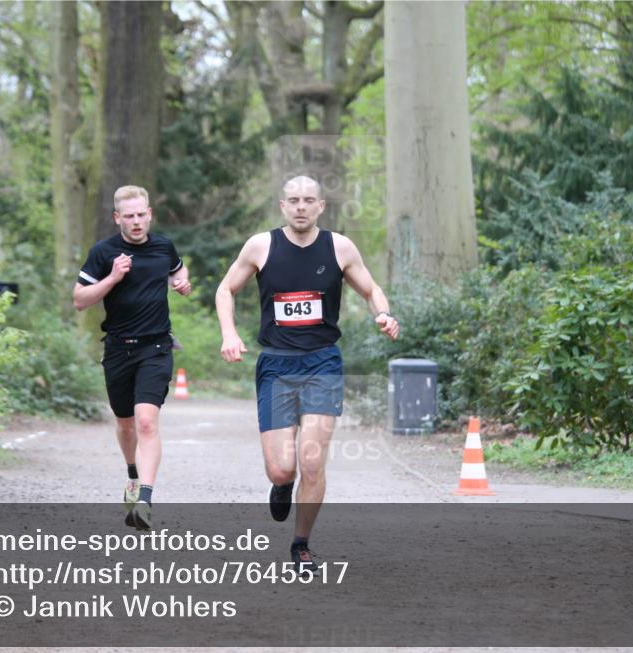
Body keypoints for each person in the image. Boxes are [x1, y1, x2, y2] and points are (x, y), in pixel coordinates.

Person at [215, 175, 399, 569]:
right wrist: (229, 333)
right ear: (283, 205)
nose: (301, 207)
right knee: (282, 468)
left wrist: (383, 314)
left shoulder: (340, 247)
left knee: (312, 462)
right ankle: (282, 485)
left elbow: (371, 289)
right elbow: (225, 289)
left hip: (322, 363)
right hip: (276, 365)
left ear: (321, 206)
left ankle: (301, 544)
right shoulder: (261, 245)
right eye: (294, 200)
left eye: (308, 200)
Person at [74, 185, 191, 530]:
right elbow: (80, 300)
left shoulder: (163, 246)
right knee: (125, 424)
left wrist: (181, 283)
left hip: (156, 348)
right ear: (117, 218)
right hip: (118, 349)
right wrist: (112, 277)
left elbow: (178, 270)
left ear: (149, 214)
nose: (136, 221)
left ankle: (145, 501)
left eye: (141, 214)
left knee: (146, 422)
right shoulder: (104, 252)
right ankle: (132, 475)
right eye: (129, 216)